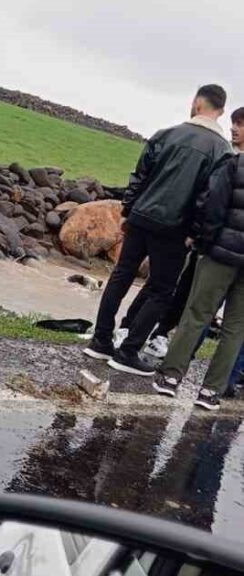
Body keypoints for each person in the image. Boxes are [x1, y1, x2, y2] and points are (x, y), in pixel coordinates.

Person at [84, 84, 232, 375]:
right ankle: (128, 352)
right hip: (176, 228)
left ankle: (101, 340)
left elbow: (140, 174)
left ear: (196, 103)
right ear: (222, 112)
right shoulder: (222, 151)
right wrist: (196, 233)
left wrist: (128, 210)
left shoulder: (166, 134)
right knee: (161, 290)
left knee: (121, 275)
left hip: (141, 216)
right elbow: (209, 198)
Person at [153, 150, 244, 411]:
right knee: (235, 328)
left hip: (220, 253)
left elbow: (213, 203)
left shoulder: (234, 164)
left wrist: (205, 240)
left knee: (197, 314)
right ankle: (211, 391)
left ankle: (170, 376)